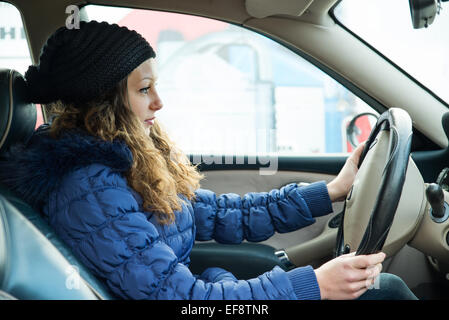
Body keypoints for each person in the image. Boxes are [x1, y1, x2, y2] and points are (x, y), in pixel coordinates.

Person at [0, 21, 417, 300]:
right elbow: (184, 300)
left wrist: (331, 191)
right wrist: (313, 286)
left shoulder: (124, 165)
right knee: (388, 291)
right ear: (104, 99)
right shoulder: (88, 188)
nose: (158, 103)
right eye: (144, 89)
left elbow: (217, 213)